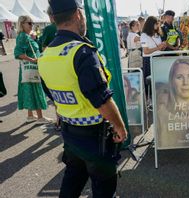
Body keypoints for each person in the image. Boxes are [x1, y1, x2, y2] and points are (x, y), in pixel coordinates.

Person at [37, 0, 128, 197]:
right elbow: (101, 100)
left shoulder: (45, 55)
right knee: (103, 188)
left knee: (72, 181)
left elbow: (52, 93)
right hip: (95, 136)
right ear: (78, 14)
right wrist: (120, 127)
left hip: (70, 134)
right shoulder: (82, 52)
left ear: (53, 19)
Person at [14, 15, 51, 124]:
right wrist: (33, 60)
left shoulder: (25, 36)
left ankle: (30, 115)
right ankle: (40, 117)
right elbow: (18, 53)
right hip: (31, 68)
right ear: (22, 24)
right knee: (35, 90)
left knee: (30, 91)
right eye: (29, 23)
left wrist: (34, 39)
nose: (32, 25)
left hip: (27, 69)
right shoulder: (23, 36)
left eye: (32, 23)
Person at [140, 16, 166, 82]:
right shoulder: (144, 35)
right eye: (156, 23)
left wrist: (163, 46)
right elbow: (145, 51)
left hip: (158, 58)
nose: (158, 25)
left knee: (159, 81)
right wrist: (158, 48)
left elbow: (159, 49)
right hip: (149, 60)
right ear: (151, 24)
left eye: (158, 23)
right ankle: (150, 92)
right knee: (150, 81)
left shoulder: (158, 34)